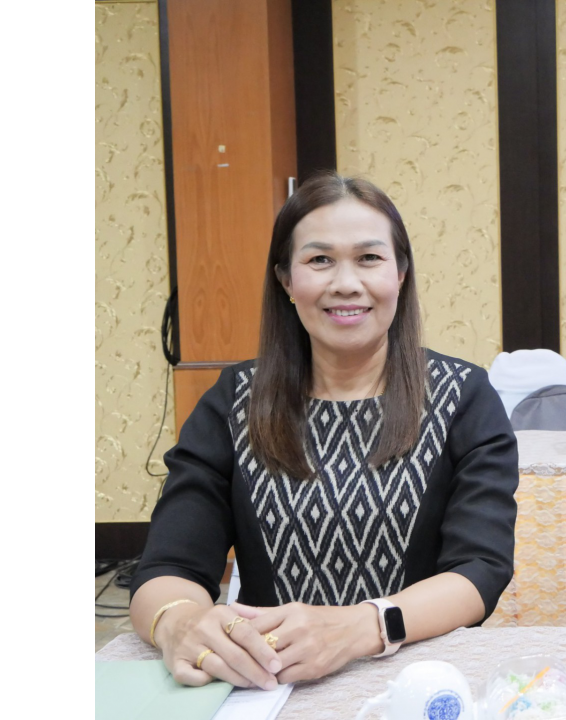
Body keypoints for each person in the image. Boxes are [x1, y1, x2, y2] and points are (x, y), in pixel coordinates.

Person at [129, 174, 518, 689]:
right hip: (270, 685)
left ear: (401, 273)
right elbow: (167, 566)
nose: (345, 283)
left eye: (369, 258)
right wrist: (179, 623)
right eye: (319, 260)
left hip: (418, 683)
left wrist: (361, 627)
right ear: (286, 281)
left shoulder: (462, 396)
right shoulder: (234, 400)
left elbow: (480, 570)